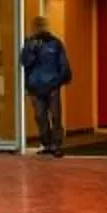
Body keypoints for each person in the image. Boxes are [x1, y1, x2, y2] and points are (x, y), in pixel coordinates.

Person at [19, 18, 71, 158]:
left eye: (40, 26)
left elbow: (63, 64)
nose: (38, 29)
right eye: (36, 26)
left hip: (52, 85)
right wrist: (31, 50)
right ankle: (46, 144)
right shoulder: (29, 43)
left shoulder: (55, 43)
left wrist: (59, 80)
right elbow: (24, 62)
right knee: (40, 116)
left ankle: (56, 145)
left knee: (55, 116)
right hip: (35, 86)